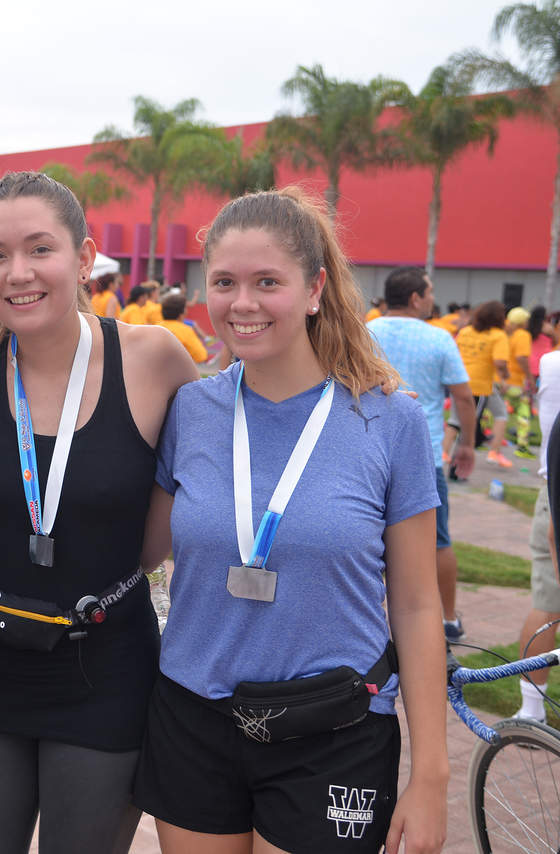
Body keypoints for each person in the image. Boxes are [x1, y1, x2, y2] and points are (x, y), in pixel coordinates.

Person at [136, 188, 447, 854]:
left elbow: (418, 605)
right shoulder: (190, 411)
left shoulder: (388, 420)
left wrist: (432, 775)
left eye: (267, 282)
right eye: (225, 282)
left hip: (332, 728)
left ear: (314, 290)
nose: (242, 303)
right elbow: (141, 552)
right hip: (194, 718)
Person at [0, 171, 198, 853]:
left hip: (106, 668)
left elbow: (246, 419)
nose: (18, 273)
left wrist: (360, 384)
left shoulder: (154, 359)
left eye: (40, 249)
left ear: (84, 258)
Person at [369, 266, 477, 643]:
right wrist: (466, 443)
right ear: (416, 298)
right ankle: (447, 618)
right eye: (429, 292)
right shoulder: (440, 337)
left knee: (365, 543)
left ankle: (376, 619)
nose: (432, 299)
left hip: (367, 453)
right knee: (437, 542)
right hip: (423, 456)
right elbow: (463, 397)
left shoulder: (364, 331)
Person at [515, 345, 560, 720]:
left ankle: (531, 712)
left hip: (554, 487)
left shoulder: (552, 362)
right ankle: (530, 710)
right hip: (554, 487)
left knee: (547, 602)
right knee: (547, 602)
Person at [445, 301, 512, 469]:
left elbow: (454, 352)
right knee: (469, 423)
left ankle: (443, 453)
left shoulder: (466, 331)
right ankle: (461, 465)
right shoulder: (498, 335)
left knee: (456, 419)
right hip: (479, 385)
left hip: (458, 380)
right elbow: (500, 362)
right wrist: (505, 376)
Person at [504, 305, 536, 458]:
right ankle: (522, 446)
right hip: (516, 381)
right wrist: (529, 377)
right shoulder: (523, 335)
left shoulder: (508, 334)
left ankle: (486, 439)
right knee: (524, 413)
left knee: (496, 411)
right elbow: (521, 357)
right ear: (523, 322)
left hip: (504, 380)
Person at [157, 291, 208, 363]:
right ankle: (207, 339)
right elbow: (201, 356)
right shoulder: (185, 330)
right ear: (182, 313)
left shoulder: (155, 328)